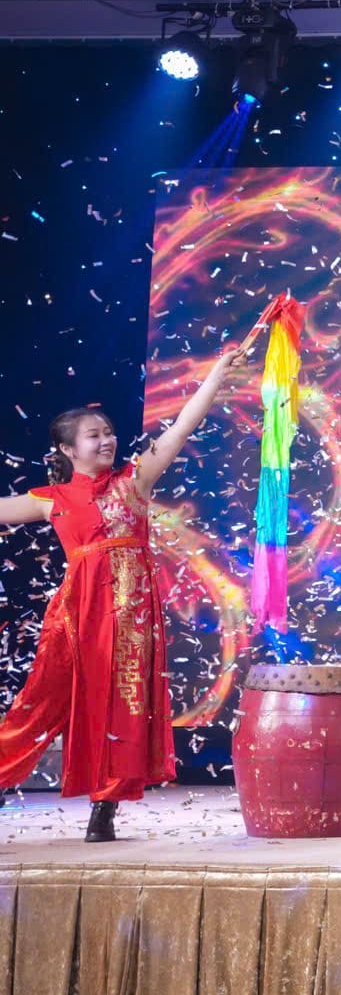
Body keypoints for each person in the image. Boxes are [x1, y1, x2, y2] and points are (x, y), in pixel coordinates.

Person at [0, 335, 254, 841]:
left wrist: (218, 373)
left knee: (122, 705)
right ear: (68, 450)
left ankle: (105, 806)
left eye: (109, 432)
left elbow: (182, 427)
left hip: (130, 618)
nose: (107, 441)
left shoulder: (134, 481)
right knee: (39, 702)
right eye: (94, 436)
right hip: (75, 616)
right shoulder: (50, 499)